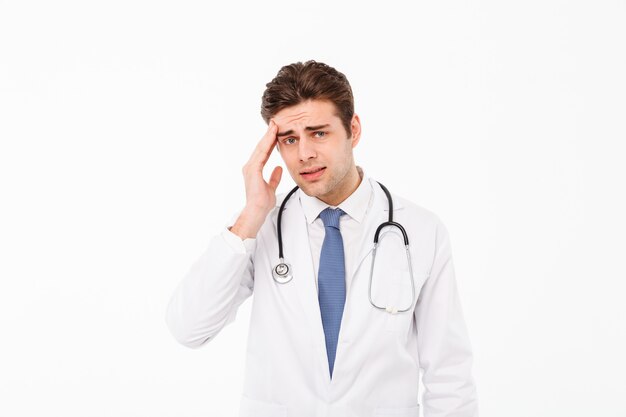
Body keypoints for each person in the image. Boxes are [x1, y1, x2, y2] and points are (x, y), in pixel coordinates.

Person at [165, 60, 479, 417]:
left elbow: (449, 374)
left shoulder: (422, 231)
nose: (304, 154)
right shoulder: (259, 226)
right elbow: (188, 328)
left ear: (353, 129)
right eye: (289, 139)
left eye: (319, 133)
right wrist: (250, 216)